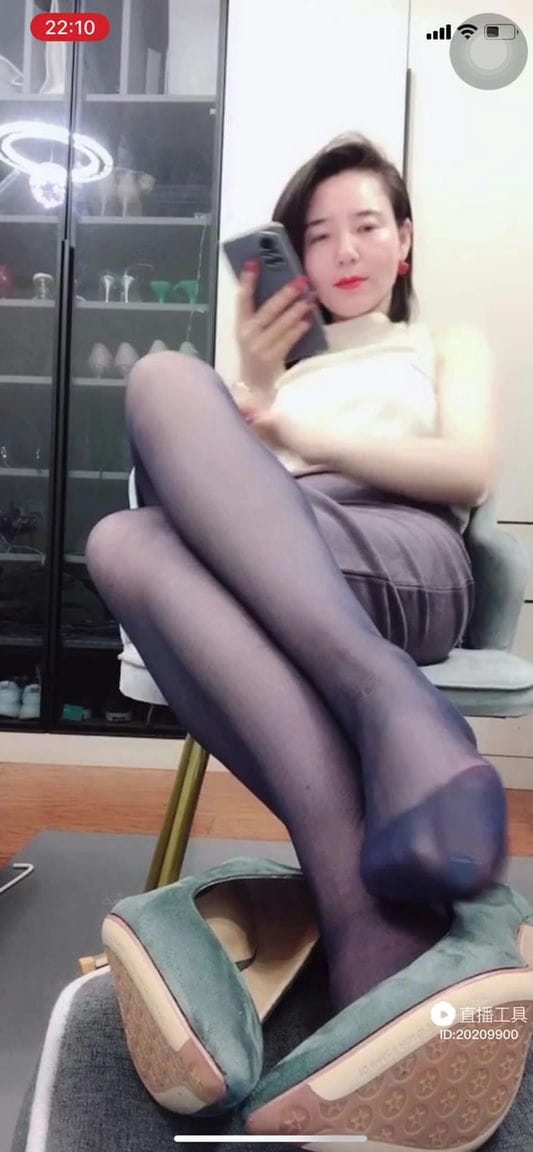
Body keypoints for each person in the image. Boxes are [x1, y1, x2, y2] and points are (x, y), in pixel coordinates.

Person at [86, 132, 506, 1013]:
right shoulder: (275, 372)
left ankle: (379, 701)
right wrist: (257, 378)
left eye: (366, 226)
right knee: (127, 517)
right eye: (318, 235)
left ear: (404, 240)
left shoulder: (439, 343)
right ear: (295, 256)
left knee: (148, 469)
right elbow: (214, 496)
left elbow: (467, 471)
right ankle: (369, 893)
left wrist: (300, 435)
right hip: (275, 556)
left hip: (401, 554)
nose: (345, 250)